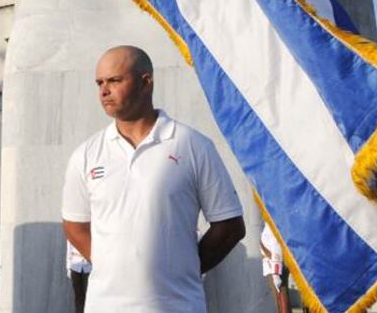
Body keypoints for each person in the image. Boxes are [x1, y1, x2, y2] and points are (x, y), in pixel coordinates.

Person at [61, 46, 245, 312]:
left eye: (114, 80)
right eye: (99, 82)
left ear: (145, 82)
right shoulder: (86, 154)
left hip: (177, 305)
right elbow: (74, 225)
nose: (103, 91)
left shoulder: (191, 145)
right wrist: (112, 264)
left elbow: (229, 225)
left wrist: (183, 267)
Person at [261, 223, 291, 313]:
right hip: (273, 264)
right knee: (281, 302)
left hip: (275, 266)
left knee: (282, 301)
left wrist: (276, 275)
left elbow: (276, 248)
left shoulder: (273, 223)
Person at [66, 242, 91, 313]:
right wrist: (68, 267)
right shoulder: (72, 233)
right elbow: (68, 250)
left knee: (88, 295)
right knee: (78, 296)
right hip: (75, 265)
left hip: (88, 266)